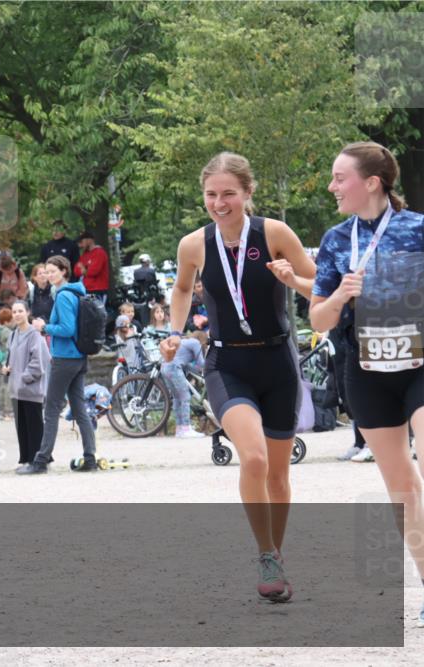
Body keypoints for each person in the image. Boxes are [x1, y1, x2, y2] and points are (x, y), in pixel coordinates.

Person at [162, 151, 316, 603]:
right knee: (253, 459)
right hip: (227, 365)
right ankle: (266, 553)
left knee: (279, 477)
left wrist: (293, 279)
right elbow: (182, 287)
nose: (219, 202)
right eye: (211, 194)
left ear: (248, 193)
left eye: (229, 193)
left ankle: (276, 557)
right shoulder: (194, 244)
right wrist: (174, 331)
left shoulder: (274, 233)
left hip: (278, 363)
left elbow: (318, 285)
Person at [307, 141, 424, 626]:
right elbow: (317, 318)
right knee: (402, 488)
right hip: (367, 371)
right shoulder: (336, 240)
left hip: (420, 364)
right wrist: (339, 295)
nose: (333, 187)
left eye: (340, 178)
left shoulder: (419, 229)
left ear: (371, 182)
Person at [17, 255, 97, 474]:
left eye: (53, 271)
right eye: (47, 271)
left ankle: (41, 461)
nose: (50, 275)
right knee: (80, 409)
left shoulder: (63, 296)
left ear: (64, 271)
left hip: (65, 358)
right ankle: (90, 458)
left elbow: (68, 329)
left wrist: (44, 328)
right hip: (79, 357)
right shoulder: (77, 291)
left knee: (51, 409)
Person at [3, 300, 50, 467]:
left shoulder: (35, 334)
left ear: (28, 312)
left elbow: (40, 361)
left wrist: (24, 378)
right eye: (14, 312)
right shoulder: (13, 335)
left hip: (30, 388)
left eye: (20, 311)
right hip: (16, 389)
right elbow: (9, 357)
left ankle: (39, 459)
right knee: (22, 426)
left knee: (34, 425)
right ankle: (26, 459)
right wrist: (6, 367)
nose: (17, 314)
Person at [160, 331, 207, 438]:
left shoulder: (186, 341)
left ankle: (180, 429)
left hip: (165, 367)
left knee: (177, 398)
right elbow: (201, 364)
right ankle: (186, 428)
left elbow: (187, 363)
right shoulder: (195, 343)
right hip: (174, 368)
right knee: (185, 397)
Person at [73, 232, 109, 303]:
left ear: (89, 240)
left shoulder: (99, 252)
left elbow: (93, 272)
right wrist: (85, 269)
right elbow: (76, 271)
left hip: (97, 290)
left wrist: (84, 269)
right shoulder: (85, 254)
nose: (80, 245)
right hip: (86, 290)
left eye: (81, 242)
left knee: (97, 312)